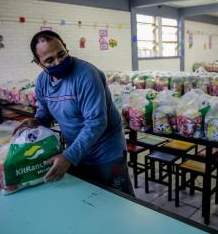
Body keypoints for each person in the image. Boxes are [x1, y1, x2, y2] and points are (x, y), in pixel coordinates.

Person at [13, 30, 134, 195]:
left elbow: (96, 122)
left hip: (106, 152)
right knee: (87, 199)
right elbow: (44, 111)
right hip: (78, 149)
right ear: (38, 62)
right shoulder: (42, 82)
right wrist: (37, 121)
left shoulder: (87, 76)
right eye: (49, 60)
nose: (58, 62)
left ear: (65, 47)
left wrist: (69, 157)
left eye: (61, 54)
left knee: (119, 200)